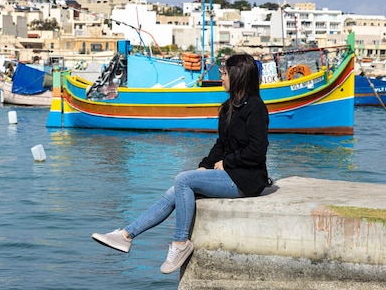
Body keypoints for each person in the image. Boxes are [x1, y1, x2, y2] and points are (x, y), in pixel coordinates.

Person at [92, 53, 270, 274]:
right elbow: (221, 144)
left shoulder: (255, 108)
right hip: (229, 174)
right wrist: (205, 166)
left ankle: (180, 243)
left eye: (224, 74)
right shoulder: (227, 108)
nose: (221, 78)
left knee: (182, 180)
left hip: (246, 179)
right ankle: (126, 236)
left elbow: (258, 150)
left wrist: (228, 162)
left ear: (238, 76)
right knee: (175, 189)